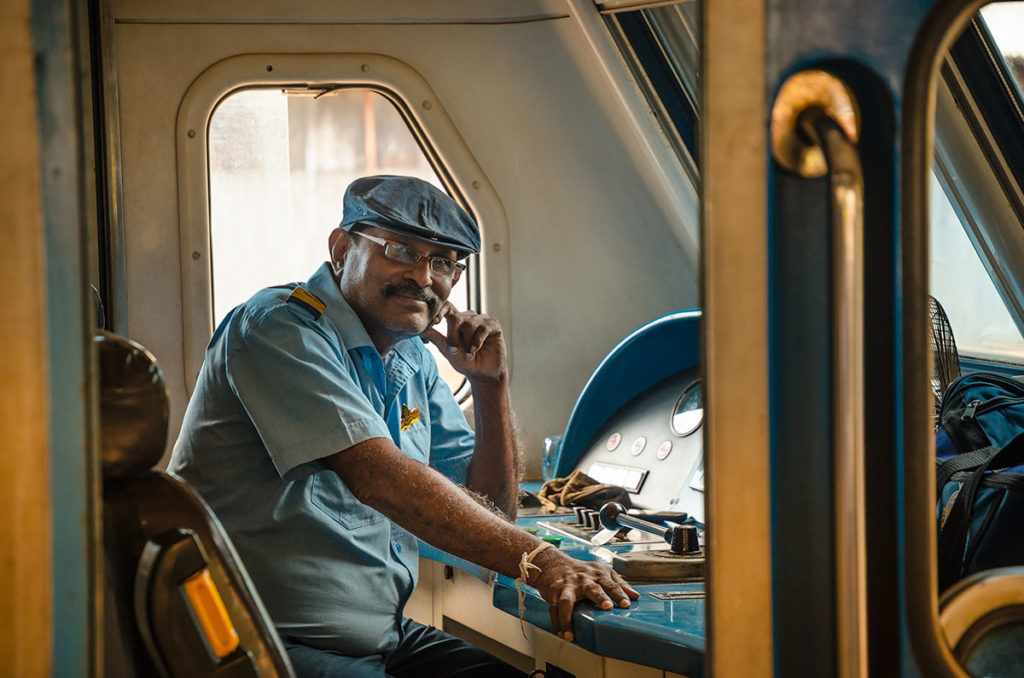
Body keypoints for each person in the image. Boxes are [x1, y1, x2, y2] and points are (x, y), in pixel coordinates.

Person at [169, 175, 639, 677]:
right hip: (262, 643)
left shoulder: (410, 356)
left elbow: (494, 511)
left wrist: (490, 387)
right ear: (341, 248)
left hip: (380, 637)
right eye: (399, 250)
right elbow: (378, 476)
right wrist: (542, 562)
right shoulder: (278, 329)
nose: (423, 276)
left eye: (442, 262)